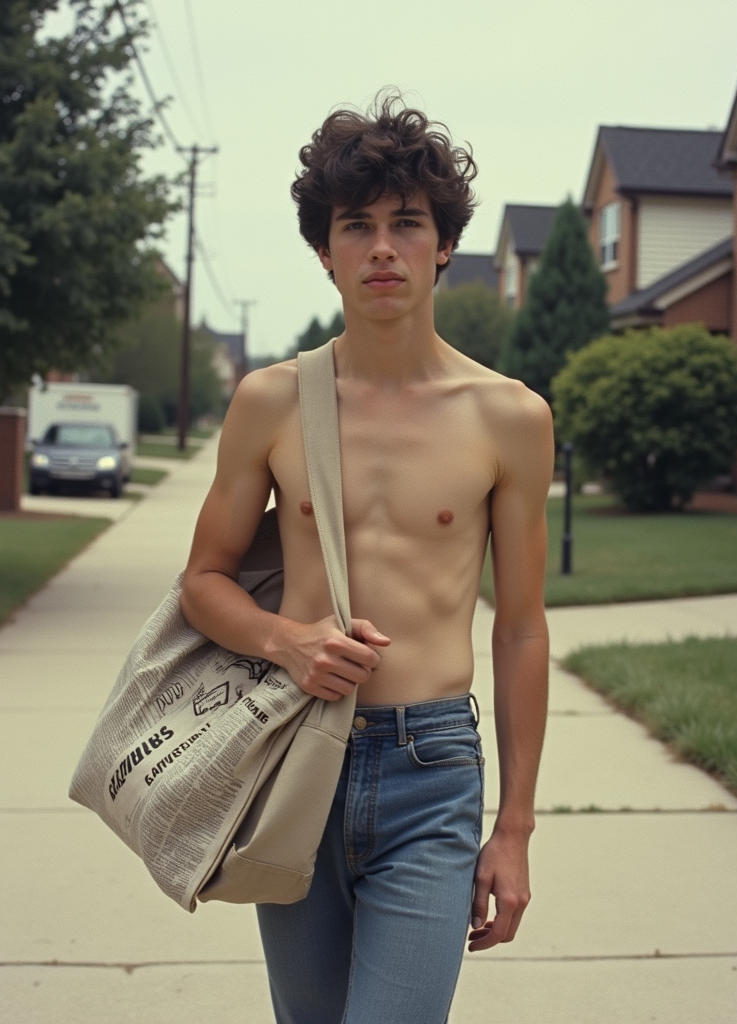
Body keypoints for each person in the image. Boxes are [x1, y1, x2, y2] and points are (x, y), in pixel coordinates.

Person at [180, 94, 553, 1024]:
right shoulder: (269, 403)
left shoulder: (508, 416)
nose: (382, 246)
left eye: (406, 223)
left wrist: (514, 827)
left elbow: (520, 626)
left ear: (443, 247)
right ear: (325, 251)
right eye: (358, 226)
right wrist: (286, 642)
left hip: (432, 768)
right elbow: (202, 583)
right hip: (297, 753)